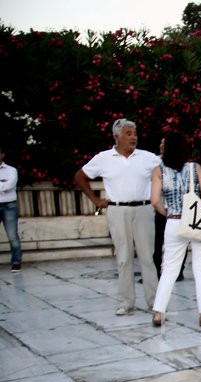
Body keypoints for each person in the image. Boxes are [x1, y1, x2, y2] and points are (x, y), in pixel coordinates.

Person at [75, 118, 160, 316]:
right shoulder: (104, 158)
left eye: (135, 134)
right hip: (117, 210)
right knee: (123, 257)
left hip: (144, 209)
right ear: (117, 137)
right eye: (128, 134)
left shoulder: (148, 157)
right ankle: (125, 301)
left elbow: (164, 175)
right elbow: (80, 176)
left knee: (148, 257)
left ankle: (155, 301)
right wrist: (95, 200)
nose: (133, 138)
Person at [149, 131, 201, 328]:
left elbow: (154, 201)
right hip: (197, 220)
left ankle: (158, 312)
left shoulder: (158, 170)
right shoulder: (194, 168)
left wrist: (169, 213)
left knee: (169, 268)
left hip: (173, 222)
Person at [0, 147, 22, 272]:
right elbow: (4, 186)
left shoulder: (11, 170)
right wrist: (2, 185)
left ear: (2, 154)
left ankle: (16, 261)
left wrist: (4, 186)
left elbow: (10, 185)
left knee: (12, 235)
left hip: (9, 206)